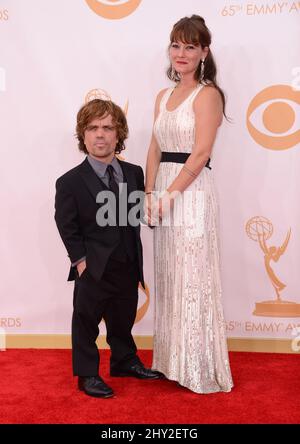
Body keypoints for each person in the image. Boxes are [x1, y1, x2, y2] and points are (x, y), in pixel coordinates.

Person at [145, 15, 233, 393]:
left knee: (192, 276)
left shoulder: (208, 94)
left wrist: (168, 195)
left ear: (204, 52)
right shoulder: (162, 96)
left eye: (190, 47)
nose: (181, 53)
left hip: (191, 193)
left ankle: (197, 366)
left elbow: (200, 155)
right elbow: (154, 147)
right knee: (169, 274)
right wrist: (149, 193)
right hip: (163, 191)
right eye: (176, 45)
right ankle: (171, 361)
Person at [55, 99, 161, 398]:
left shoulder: (133, 173)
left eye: (107, 128)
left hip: (127, 261)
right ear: (83, 135)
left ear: (118, 134)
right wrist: (80, 261)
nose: (99, 135)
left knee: (123, 316)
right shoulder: (70, 182)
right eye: (92, 128)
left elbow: (138, 212)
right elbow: (66, 225)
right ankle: (87, 374)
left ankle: (124, 360)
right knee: (86, 320)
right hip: (94, 265)